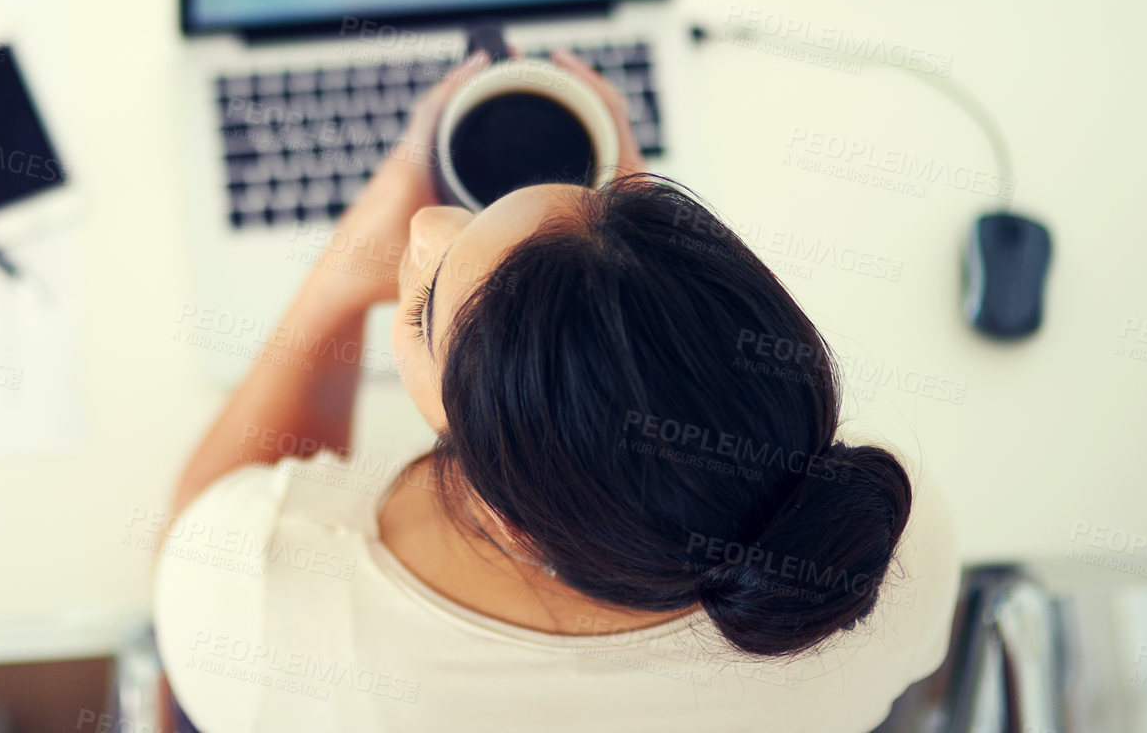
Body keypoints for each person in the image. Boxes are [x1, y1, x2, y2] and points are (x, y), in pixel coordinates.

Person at [153, 49, 959, 732]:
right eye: (600, 197)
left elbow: (201, 528)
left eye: (431, 309)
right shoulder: (890, 552)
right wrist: (624, 258)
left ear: (510, 519)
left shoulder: (257, 600)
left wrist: (335, 283)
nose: (426, 224)